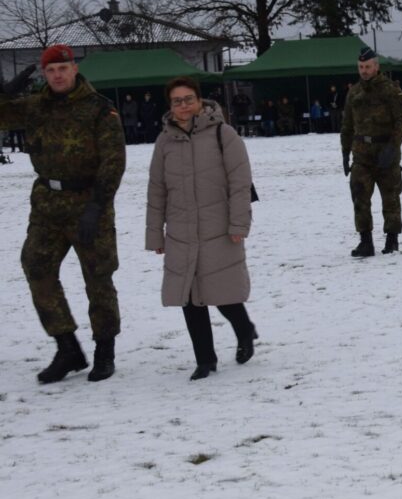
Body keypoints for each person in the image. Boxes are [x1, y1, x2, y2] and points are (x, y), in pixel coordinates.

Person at [0, 45, 125, 384]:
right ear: (44, 74)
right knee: (36, 267)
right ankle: (67, 348)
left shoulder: (99, 110)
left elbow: (113, 163)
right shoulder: (35, 107)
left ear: (74, 69)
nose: (57, 75)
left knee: (98, 277)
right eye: (50, 70)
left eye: (63, 68)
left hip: (89, 202)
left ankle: (104, 351)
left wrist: (96, 208)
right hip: (47, 205)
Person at [146, 76, 256, 381]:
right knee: (189, 296)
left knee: (221, 293)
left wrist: (238, 223)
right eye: (176, 101)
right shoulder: (164, 141)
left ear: (200, 101)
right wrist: (155, 234)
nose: (183, 106)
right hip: (181, 231)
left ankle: (244, 329)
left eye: (188, 99)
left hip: (218, 228)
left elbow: (239, 182)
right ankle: (205, 359)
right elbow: (157, 190)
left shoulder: (224, 134)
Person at [341, 48, 402, 257]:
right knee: (359, 196)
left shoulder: (390, 90)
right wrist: (345, 152)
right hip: (362, 154)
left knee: (390, 197)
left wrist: (393, 146)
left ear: (376, 67)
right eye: (361, 67)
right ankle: (365, 241)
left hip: (385, 152)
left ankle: (392, 240)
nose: (364, 71)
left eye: (368, 67)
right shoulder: (354, 93)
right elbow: (347, 125)